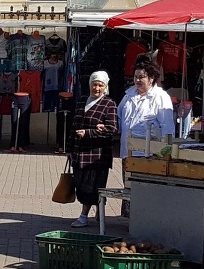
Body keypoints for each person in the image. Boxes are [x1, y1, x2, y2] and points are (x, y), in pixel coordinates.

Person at [68, 71, 118, 228]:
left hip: (97, 155)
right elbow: (74, 125)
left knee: (91, 187)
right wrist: (69, 148)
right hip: (79, 152)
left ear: (105, 87)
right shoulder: (82, 100)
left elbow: (112, 129)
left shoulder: (109, 104)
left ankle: (83, 216)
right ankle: (99, 209)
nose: (96, 88)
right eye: (94, 84)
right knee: (81, 185)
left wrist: (89, 133)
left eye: (100, 85)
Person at [116, 60, 174, 161]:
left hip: (149, 155)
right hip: (127, 153)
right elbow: (119, 117)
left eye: (141, 77)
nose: (137, 80)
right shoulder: (128, 95)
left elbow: (168, 127)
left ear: (151, 79)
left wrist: (164, 153)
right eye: (135, 77)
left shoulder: (161, 97)